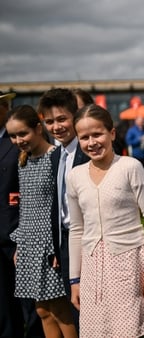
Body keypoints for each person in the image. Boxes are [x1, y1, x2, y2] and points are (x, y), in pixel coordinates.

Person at [66, 104, 144, 337]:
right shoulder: (75, 176)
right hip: (91, 269)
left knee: (127, 331)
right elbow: (76, 229)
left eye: (97, 134)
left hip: (127, 262)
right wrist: (74, 279)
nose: (92, 142)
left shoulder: (130, 167)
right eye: (84, 137)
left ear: (112, 133)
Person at [6, 105, 77, 338]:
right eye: (13, 136)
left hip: (49, 243)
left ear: (38, 129)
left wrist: (58, 246)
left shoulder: (56, 158)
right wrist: (20, 245)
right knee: (42, 310)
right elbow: (25, 207)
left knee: (59, 309)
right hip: (28, 244)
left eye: (22, 133)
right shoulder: (22, 161)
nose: (18, 140)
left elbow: (62, 207)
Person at [38, 87, 89, 331]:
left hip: (91, 239)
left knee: (94, 310)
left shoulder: (89, 149)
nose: (56, 127)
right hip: (66, 243)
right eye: (49, 121)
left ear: (75, 116)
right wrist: (57, 247)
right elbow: (57, 206)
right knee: (76, 305)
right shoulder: (56, 155)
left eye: (61, 119)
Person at [0, 92, 44, 338]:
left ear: (5, 107)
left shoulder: (20, 141)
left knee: (34, 308)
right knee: (5, 310)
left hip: (21, 238)